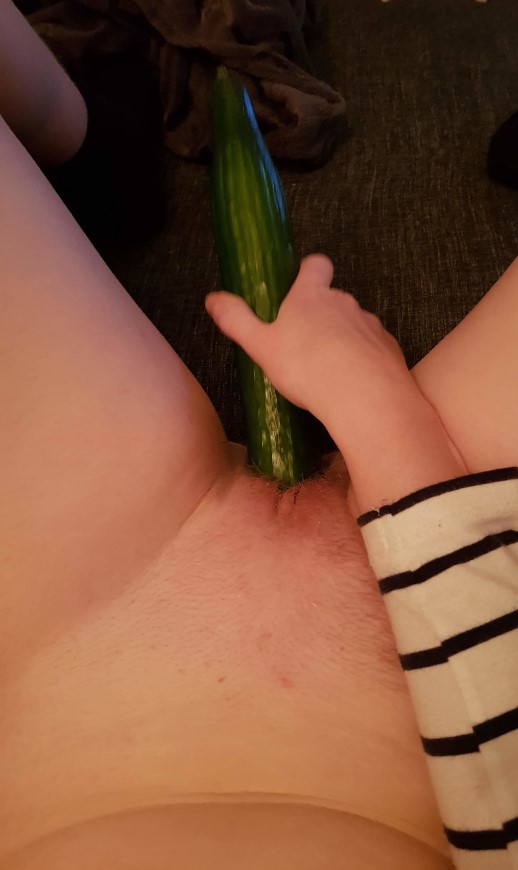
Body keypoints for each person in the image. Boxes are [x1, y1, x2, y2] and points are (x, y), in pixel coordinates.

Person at [0, 2, 517, 869]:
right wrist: (382, 417)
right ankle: (83, 150)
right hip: (475, 626)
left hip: (64, 645)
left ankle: (80, 143)